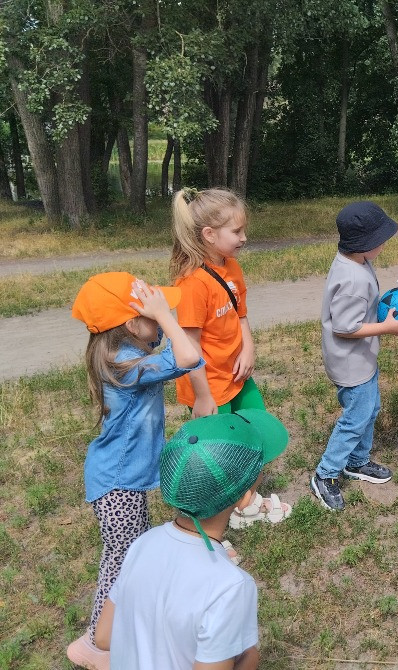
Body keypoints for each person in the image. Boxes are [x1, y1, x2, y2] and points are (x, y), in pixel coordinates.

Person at [66, 272, 202, 670]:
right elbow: (188, 356)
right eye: (155, 316)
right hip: (117, 483)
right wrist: (164, 314)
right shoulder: (126, 364)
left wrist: (158, 317)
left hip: (121, 481)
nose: (162, 320)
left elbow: (186, 355)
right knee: (123, 561)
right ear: (130, 324)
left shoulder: (128, 354)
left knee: (130, 556)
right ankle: (94, 644)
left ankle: (120, 628)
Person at [93, 409, 290, 669]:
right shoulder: (230, 587)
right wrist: (250, 657)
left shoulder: (143, 543)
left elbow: (104, 636)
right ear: (245, 498)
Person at [170, 187, 291, 529]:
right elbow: (188, 349)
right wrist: (203, 396)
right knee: (217, 455)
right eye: (236, 232)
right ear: (209, 235)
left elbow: (241, 315)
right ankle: (221, 514)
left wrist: (248, 348)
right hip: (209, 386)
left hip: (237, 375)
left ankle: (244, 500)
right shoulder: (193, 284)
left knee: (257, 431)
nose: (244, 238)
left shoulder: (232, 268)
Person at [311, 201, 398, 510]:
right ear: (365, 244)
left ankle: (356, 461)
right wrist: (386, 327)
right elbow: (345, 327)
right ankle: (326, 474)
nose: (385, 243)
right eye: (381, 238)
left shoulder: (354, 261)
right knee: (356, 417)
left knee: (371, 408)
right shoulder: (353, 279)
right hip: (349, 362)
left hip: (361, 359)